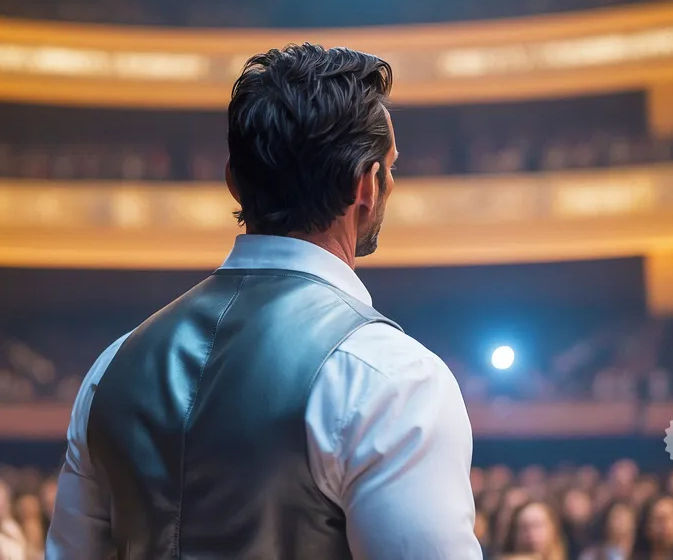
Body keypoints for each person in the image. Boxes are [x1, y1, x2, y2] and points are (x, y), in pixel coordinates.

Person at [46, 43, 480, 559]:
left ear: (233, 181)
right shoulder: (391, 379)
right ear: (366, 185)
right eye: (389, 169)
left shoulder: (111, 369)